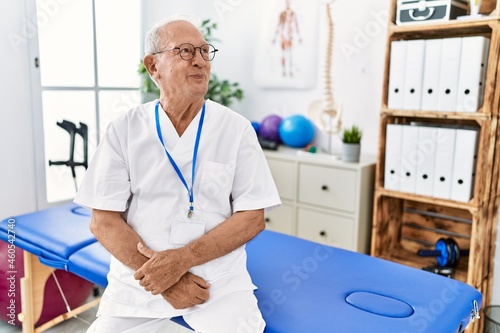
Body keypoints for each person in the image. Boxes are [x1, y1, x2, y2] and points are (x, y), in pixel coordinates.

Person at [74, 16, 281, 333]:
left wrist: (182, 260)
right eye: (185, 51)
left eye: (204, 51)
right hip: (139, 283)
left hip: (219, 285)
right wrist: (163, 278)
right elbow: (103, 220)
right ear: (153, 67)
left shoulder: (235, 129)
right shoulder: (124, 130)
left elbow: (252, 217)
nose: (200, 61)